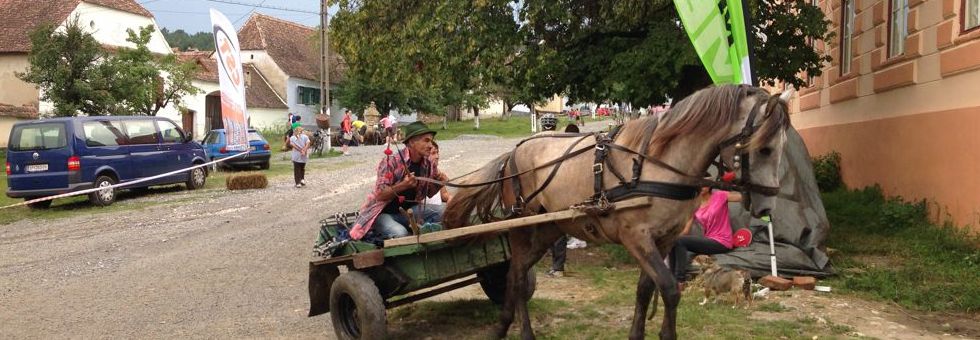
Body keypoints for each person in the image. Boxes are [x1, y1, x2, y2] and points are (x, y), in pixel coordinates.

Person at [349, 122, 444, 240]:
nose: (431, 145)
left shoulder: (428, 163)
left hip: (410, 212)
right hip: (383, 213)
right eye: (426, 140)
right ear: (411, 142)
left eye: (431, 141)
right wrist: (403, 185)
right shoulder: (391, 161)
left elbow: (428, 193)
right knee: (401, 234)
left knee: (446, 211)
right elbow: (380, 195)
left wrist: (440, 183)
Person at [670, 187, 743, 288]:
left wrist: (736, 184)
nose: (701, 187)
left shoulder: (719, 195)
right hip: (709, 239)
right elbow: (686, 231)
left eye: (705, 184)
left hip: (722, 241)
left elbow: (742, 197)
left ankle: (680, 281)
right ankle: (671, 280)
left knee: (680, 241)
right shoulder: (694, 204)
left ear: (709, 185)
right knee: (674, 240)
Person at [547, 123, 584, 278]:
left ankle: (558, 267)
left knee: (558, 230)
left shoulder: (566, 153)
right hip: (572, 195)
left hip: (564, 197)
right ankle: (557, 266)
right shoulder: (581, 151)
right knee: (558, 231)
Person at [423, 141, 452, 205]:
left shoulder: (437, 172)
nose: (437, 156)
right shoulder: (420, 173)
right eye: (433, 153)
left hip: (438, 212)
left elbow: (444, 194)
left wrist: (450, 198)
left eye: (437, 152)